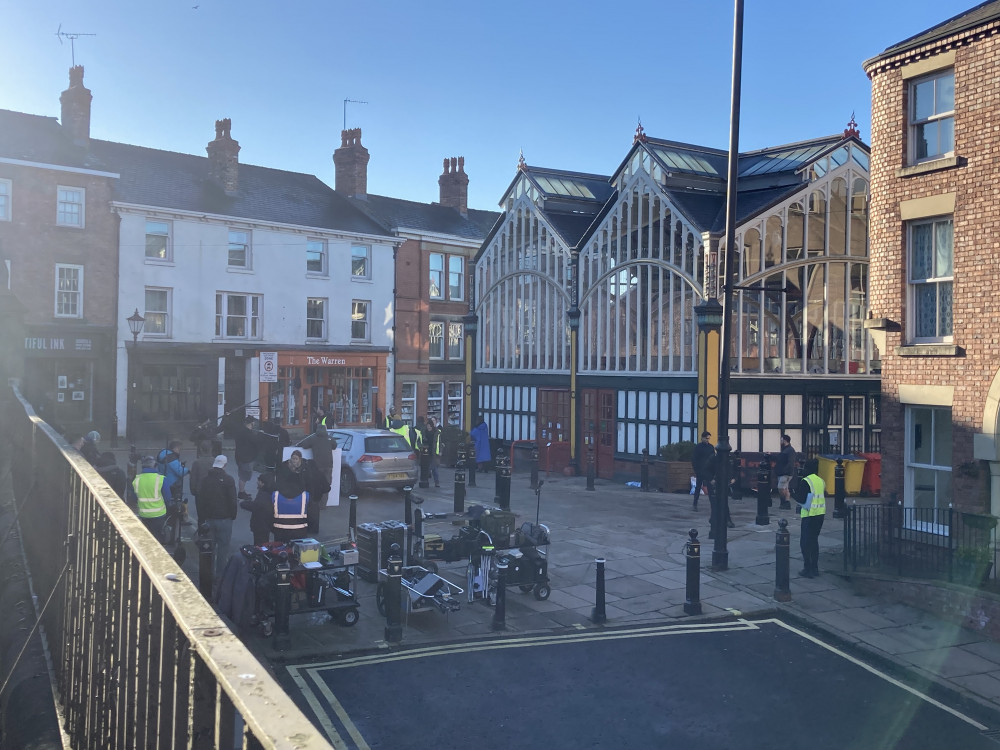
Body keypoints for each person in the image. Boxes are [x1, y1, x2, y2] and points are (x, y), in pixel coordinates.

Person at [196, 455, 238, 579]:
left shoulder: (205, 480)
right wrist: (232, 515)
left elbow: (200, 500)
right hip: (225, 519)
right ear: (224, 465)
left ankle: (208, 575)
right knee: (223, 549)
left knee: (209, 548)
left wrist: (202, 518)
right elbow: (232, 500)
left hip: (209, 519)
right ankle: (220, 577)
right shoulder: (229, 480)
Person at [298, 428, 336, 533]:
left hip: (317, 466)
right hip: (328, 465)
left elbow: (304, 445)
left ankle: (315, 504)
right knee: (326, 484)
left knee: (315, 485)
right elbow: (335, 446)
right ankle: (323, 505)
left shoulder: (313, 438)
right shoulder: (329, 438)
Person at [794, 458, 826, 578]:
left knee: (805, 543)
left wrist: (791, 494)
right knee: (814, 542)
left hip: (809, 515)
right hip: (820, 515)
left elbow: (801, 499)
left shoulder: (806, 481)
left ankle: (807, 568)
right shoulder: (821, 481)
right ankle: (815, 568)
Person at [133, 455, 168, 539]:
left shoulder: (136, 480)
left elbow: (134, 498)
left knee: (146, 537)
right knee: (157, 537)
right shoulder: (161, 479)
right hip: (159, 515)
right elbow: (167, 498)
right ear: (155, 466)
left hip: (144, 514)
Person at [233, 416, 258, 499]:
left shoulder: (240, 431)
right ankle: (241, 492)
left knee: (242, 475)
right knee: (244, 476)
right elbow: (255, 442)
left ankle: (242, 491)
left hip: (240, 457)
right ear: (251, 423)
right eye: (253, 422)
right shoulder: (248, 433)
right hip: (246, 458)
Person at [188, 441, 215, 514]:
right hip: (213, 492)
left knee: (201, 515)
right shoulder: (215, 461)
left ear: (201, 449)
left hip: (200, 492)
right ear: (211, 449)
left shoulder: (197, 462)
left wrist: (193, 491)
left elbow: (193, 478)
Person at [691, 431, 715, 511]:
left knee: (710, 488)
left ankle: (713, 506)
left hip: (708, 471)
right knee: (698, 487)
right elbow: (694, 459)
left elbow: (713, 459)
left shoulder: (711, 447)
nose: (708, 440)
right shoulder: (698, 447)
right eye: (706, 438)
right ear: (702, 438)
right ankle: (695, 504)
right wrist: (696, 470)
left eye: (708, 438)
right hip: (700, 470)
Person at [775, 434, 797, 510]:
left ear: (785, 440)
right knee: (785, 488)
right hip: (784, 473)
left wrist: (785, 471)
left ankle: (784, 502)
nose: (780, 442)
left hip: (785, 473)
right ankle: (786, 503)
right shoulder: (786, 450)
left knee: (780, 488)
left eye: (781, 440)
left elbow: (790, 462)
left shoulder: (789, 450)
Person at [426, 417, 442, 488]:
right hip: (426, 452)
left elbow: (440, 442)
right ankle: (426, 481)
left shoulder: (437, 432)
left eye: (430, 426)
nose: (428, 427)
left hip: (434, 452)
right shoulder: (424, 432)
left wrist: (440, 451)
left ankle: (437, 482)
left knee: (434, 468)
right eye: (428, 426)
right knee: (427, 467)